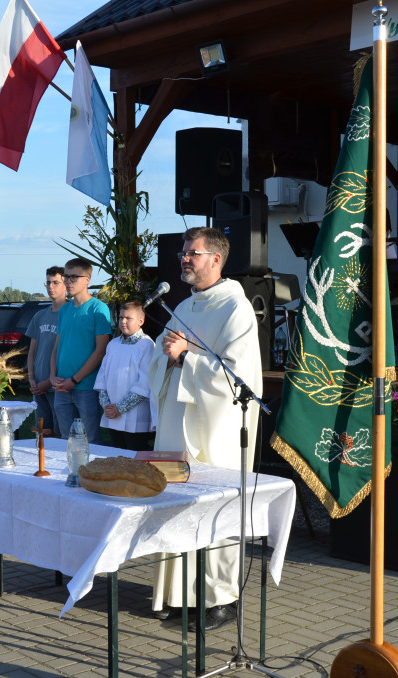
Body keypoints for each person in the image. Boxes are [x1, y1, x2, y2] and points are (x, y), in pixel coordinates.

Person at [146, 227, 262, 631]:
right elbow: (159, 360)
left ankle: (220, 599)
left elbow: (238, 380)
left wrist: (183, 358)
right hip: (179, 428)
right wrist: (167, 356)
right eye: (183, 252)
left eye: (192, 253)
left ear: (216, 259)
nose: (184, 259)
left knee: (215, 511)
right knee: (179, 507)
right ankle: (180, 596)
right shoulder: (185, 306)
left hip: (216, 432)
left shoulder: (235, 308)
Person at [50, 258, 111, 443]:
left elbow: (101, 351)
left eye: (73, 277)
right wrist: (52, 375)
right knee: (66, 440)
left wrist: (75, 379)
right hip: (61, 386)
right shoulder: (64, 310)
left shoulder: (99, 309)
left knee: (90, 440)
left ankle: (91, 473)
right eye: (66, 277)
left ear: (87, 279)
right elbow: (57, 347)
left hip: (86, 387)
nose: (68, 281)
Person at [93, 300, 154, 451]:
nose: (123, 321)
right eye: (120, 318)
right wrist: (107, 405)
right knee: (117, 452)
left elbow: (144, 383)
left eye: (128, 318)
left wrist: (120, 408)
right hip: (113, 414)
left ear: (141, 321)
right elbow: (102, 377)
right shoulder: (113, 344)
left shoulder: (146, 345)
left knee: (135, 454)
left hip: (135, 415)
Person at [25, 266, 66, 435]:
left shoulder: (68, 314)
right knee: (41, 432)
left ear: (66, 284)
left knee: (58, 432)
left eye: (56, 282)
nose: (51, 286)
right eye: (48, 282)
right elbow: (32, 350)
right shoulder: (40, 316)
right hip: (38, 386)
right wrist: (32, 378)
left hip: (57, 385)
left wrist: (48, 382)